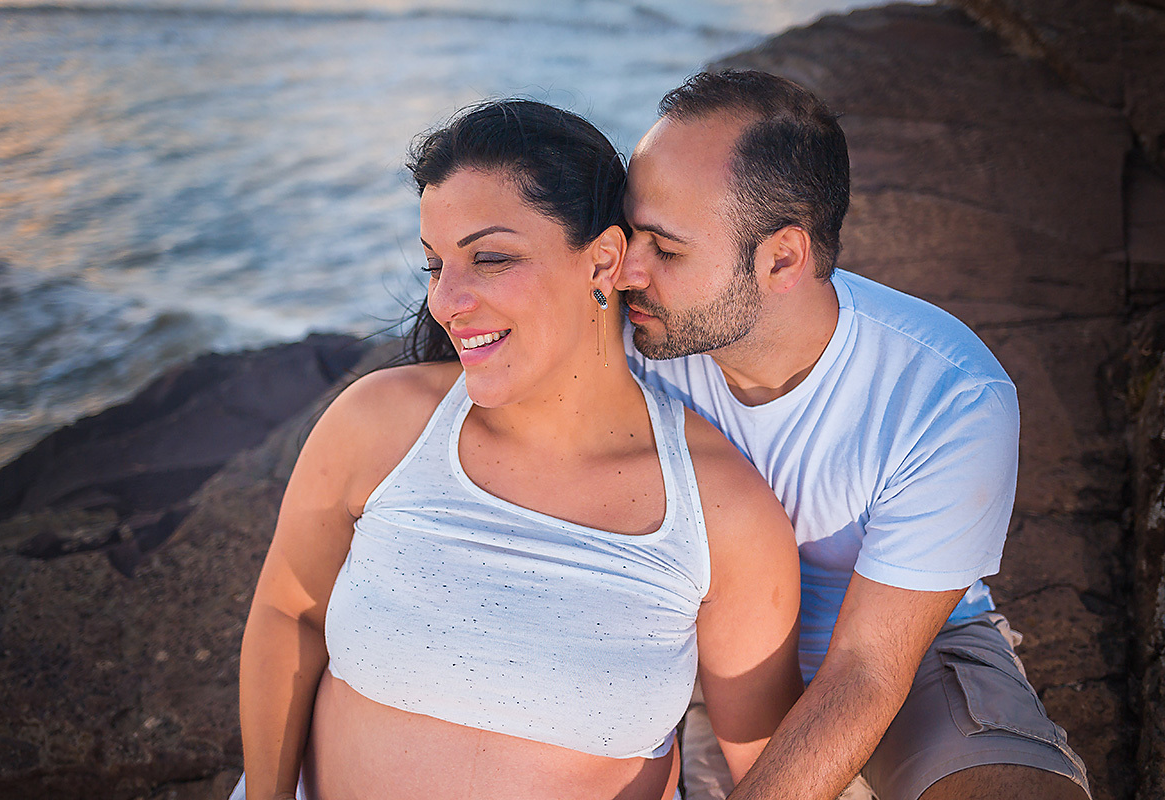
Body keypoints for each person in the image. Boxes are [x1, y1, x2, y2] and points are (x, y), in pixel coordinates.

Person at [233, 99, 803, 800]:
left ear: (603, 261)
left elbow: (772, 769)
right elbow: (287, 613)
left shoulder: (722, 513)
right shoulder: (380, 424)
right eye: (434, 265)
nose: (446, 301)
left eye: (491, 258)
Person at [616, 70, 1092, 800]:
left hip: (908, 652)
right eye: (627, 234)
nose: (626, 273)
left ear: (781, 258)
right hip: (683, 641)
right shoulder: (626, 339)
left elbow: (869, 670)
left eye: (666, 250)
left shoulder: (945, 392)